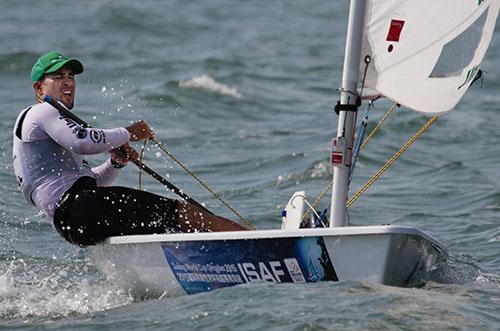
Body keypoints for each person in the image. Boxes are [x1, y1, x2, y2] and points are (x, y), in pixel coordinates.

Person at [13, 51, 248, 246]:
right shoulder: (40, 112)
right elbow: (82, 142)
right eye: (58, 76)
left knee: (166, 225)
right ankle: (250, 242)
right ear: (39, 89)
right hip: (80, 209)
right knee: (185, 214)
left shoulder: (51, 130)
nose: (68, 82)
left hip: (74, 223)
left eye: (71, 76)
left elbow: (89, 180)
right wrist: (129, 132)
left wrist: (115, 163)